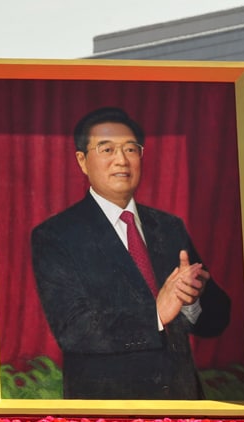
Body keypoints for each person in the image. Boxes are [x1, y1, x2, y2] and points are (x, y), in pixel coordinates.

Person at [31, 106, 231, 400]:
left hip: (183, 410)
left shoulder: (168, 226)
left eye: (131, 149)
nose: (121, 160)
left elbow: (217, 319)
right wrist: (156, 314)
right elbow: (74, 328)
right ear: (82, 161)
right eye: (107, 149)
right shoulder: (56, 235)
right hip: (108, 418)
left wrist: (193, 300)